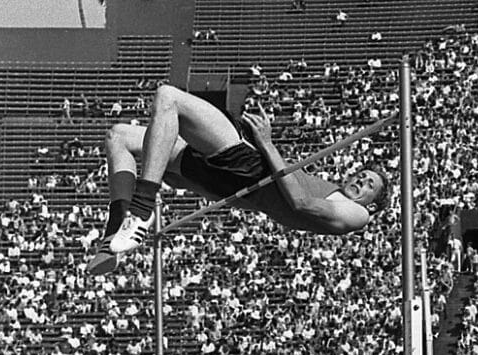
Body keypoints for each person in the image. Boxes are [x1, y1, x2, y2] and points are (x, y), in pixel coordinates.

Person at [87, 85, 387, 274]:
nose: (361, 181)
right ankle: (114, 234)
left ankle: (140, 211)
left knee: (169, 97)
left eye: (369, 185)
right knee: (119, 136)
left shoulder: (358, 214)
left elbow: (300, 203)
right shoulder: (331, 188)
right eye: (362, 175)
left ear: (372, 204)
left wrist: (266, 143)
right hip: (232, 181)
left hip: (249, 168)